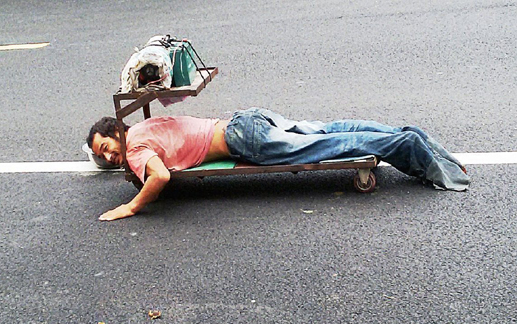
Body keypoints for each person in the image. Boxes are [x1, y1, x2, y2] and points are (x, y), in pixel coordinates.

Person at [87, 108, 470, 221]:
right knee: (331, 131)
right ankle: (406, 133)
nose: (108, 156)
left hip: (246, 141)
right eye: (102, 156)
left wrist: (130, 207)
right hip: (246, 120)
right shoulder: (144, 126)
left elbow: (159, 176)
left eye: (106, 147)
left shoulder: (134, 147)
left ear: (117, 132)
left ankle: (406, 145)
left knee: (332, 146)